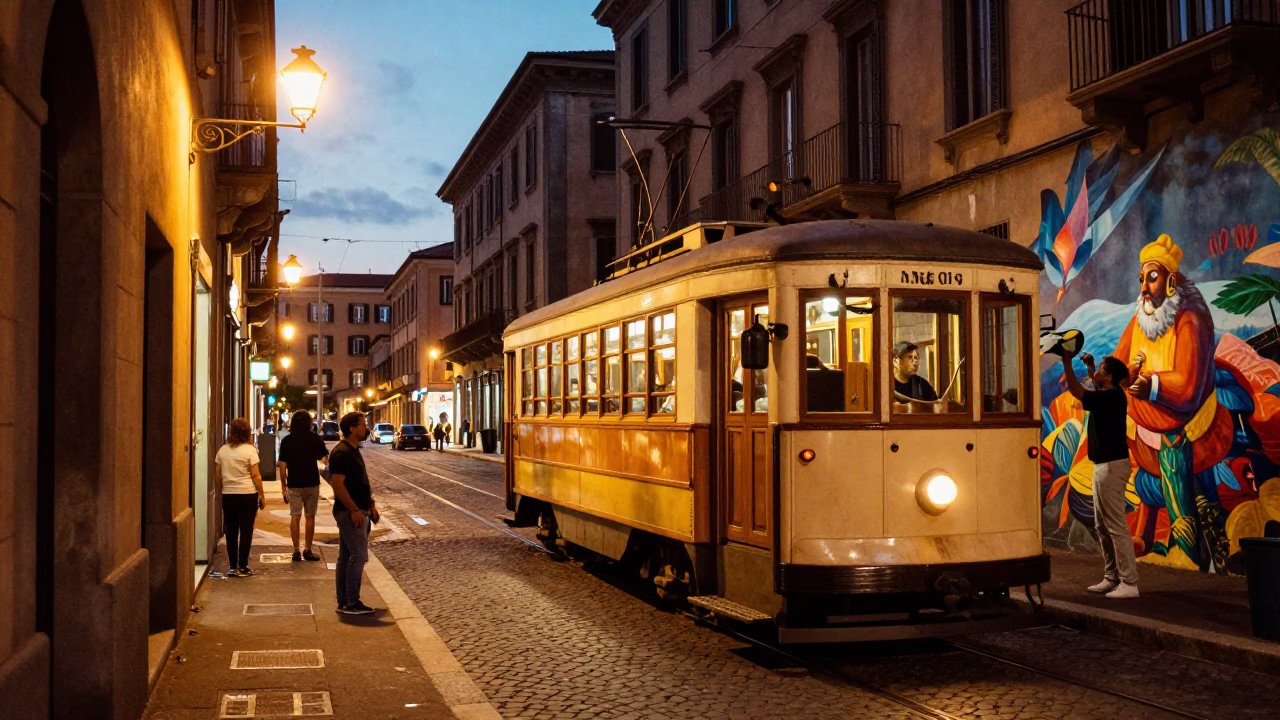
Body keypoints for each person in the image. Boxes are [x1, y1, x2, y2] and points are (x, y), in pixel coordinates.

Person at [1062, 348, 1140, 599]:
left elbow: (1078, 391)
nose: (1097, 372)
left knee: (1115, 525)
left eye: (1101, 369)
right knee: (1102, 525)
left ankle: (1129, 583)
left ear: (1110, 377)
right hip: (1102, 466)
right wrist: (1090, 366)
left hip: (1112, 466)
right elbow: (1093, 390)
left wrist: (1066, 360)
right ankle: (1112, 577)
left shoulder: (1113, 397)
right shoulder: (1108, 395)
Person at [330, 412, 380, 614]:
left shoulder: (352, 449)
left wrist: (371, 505)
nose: (366, 428)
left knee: (346, 556)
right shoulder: (342, 452)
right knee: (358, 556)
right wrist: (354, 510)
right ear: (352, 428)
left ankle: (344, 600)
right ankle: (351, 602)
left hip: (358, 510)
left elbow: (361, 482)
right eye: (363, 425)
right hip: (350, 513)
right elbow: (338, 485)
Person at [214, 418, 266, 577]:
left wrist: (224, 490)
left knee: (231, 531)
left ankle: (232, 566)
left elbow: (217, 476)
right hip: (247, 494)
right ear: (246, 433)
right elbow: (256, 475)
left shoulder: (222, 450)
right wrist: (262, 495)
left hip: (229, 495)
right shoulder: (250, 450)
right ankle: (243, 566)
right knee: (246, 530)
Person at [276, 410, 327, 562]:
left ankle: (296, 550)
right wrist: (321, 464)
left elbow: (282, 466)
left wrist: (283, 486)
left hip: (294, 483)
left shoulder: (287, 441)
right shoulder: (315, 438)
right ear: (309, 423)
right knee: (310, 517)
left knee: (295, 516)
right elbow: (324, 458)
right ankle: (308, 550)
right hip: (312, 482)